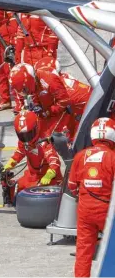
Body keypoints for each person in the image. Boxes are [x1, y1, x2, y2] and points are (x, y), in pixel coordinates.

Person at [67, 117, 115, 277]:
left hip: (85, 212)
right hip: (108, 211)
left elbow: (72, 186)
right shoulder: (113, 157)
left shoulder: (80, 156)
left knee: (83, 251)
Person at [3, 111, 63, 196]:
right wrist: (9, 165)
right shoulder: (23, 141)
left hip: (48, 179)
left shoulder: (45, 141)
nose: (26, 138)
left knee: (33, 197)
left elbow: (54, 161)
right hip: (32, 176)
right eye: (23, 136)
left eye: (28, 134)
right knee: (14, 191)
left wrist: (49, 174)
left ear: (36, 127)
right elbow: (19, 153)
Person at [34, 57, 92, 140]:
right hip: (81, 104)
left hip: (84, 109)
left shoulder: (58, 88)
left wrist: (47, 112)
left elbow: (61, 106)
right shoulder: (61, 79)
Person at [9, 63, 72, 139]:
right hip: (54, 106)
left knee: (50, 137)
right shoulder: (34, 82)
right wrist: (37, 106)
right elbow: (36, 95)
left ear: (29, 81)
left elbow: (64, 101)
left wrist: (47, 112)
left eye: (24, 89)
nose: (24, 93)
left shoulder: (49, 81)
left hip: (70, 105)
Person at [15, 0, 59, 66]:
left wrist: (50, 52)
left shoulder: (46, 10)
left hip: (44, 52)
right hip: (28, 53)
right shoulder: (22, 11)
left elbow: (54, 32)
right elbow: (20, 32)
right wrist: (18, 52)